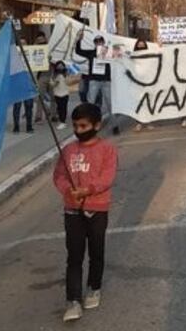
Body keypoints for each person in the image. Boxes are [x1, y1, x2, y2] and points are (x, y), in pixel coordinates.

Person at [53, 103, 118, 323]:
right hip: (72, 210)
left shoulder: (107, 149)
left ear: (96, 125)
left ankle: (94, 286)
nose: (79, 130)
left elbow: (107, 178)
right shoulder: (69, 150)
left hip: (97, 209)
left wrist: (88, 190)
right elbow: (59, 176)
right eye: (75, 126)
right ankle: (72, 300)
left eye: (83, 125)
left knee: (96, 252)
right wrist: (68, 190)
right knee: (74, 255)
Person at [75, 30, 111, 125]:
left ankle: (114, 125)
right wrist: (79, 40)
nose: (99, 43)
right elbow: (78, 51)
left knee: (110, 104)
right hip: (94, 81)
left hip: (106, 81)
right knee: (90, 103)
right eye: (97, 42)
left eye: (100, 41)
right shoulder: (91, 53)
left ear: (103, 42)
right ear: (94, 44)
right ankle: (90, 124)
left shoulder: (109, 52)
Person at [13, 38, 35, 133]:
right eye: (21, 43)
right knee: (17, 106)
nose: (22, 45)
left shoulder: (31, 55)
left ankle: (29, 126)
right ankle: (16, 126)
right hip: (17, 84)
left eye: (24, 43)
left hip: (29, 83)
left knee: (29, 106)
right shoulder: (14, 56)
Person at [50, 62, 75, 129]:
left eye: (61, 66)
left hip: (65, 93)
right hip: (57, 93)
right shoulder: (54, 74)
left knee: (63, 107)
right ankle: (61, 119)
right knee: (59, 107)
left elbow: (69, 82)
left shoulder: (66, 73)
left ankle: (63, 122)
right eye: (59, 66)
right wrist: (55, 82)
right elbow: (51, 84)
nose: (60, 68)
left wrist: (66, 78)